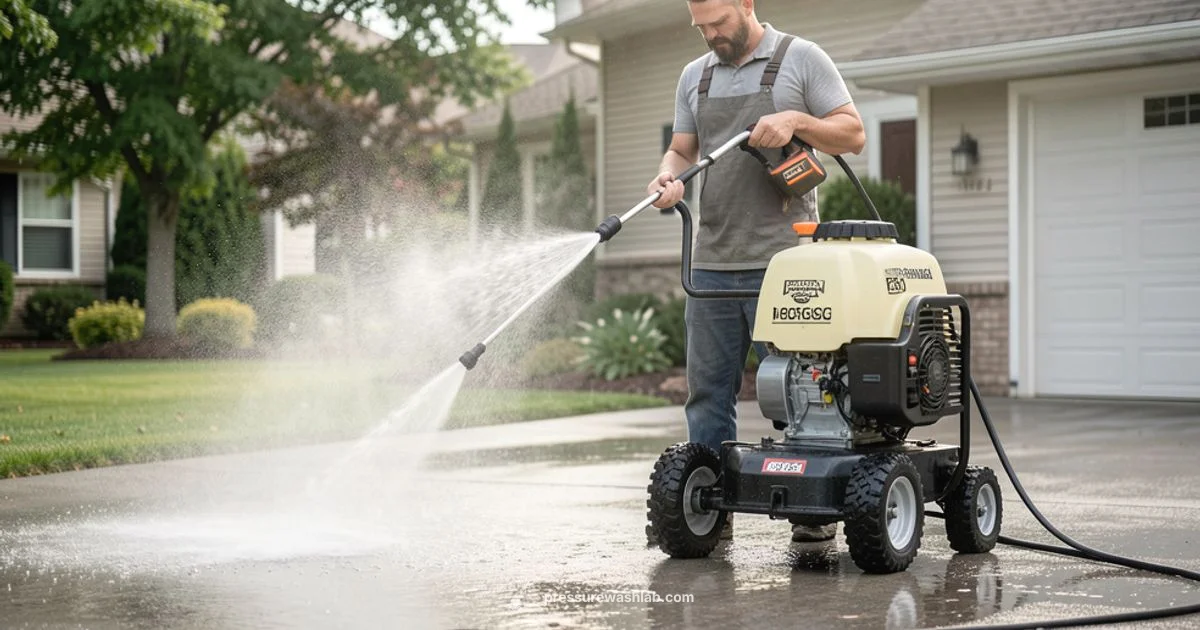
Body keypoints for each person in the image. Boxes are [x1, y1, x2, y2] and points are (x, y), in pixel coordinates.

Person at [647, 0, 865, 542]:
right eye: (700, 28)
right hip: (713, 265)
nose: (711, 36)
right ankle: (709, 509)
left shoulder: (801, 57)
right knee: (707, 396)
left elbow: (852, 133)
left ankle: (813, 515)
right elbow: (680, 148)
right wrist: (666, 178)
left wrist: (795, 120)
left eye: (719, 23)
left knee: (802, 394)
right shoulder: (694, 76)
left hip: (786, 267)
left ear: (746, 4)